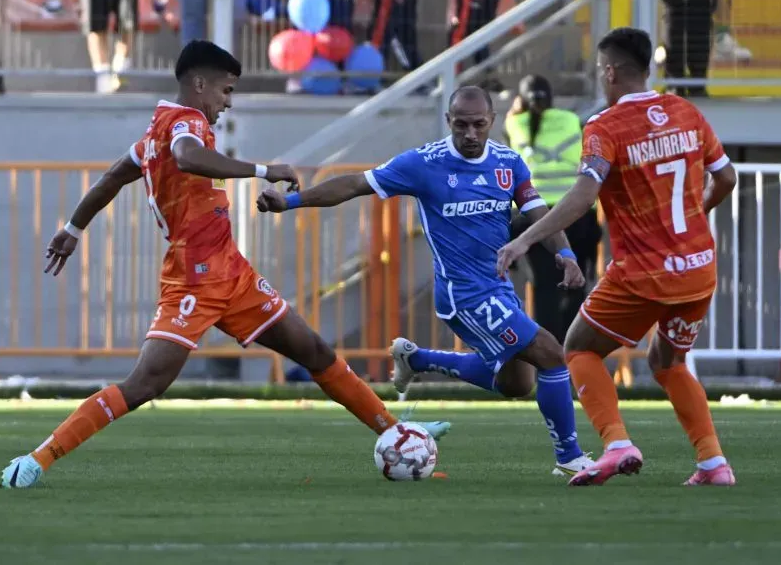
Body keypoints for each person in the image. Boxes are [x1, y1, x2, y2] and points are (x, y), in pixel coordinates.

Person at [0, 40, 449, 489]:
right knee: (144, 385)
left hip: (233, 274)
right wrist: (262, 169)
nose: (227, 103)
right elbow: (187, 156)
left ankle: (395, 432)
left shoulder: (153, 134)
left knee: (314, 350)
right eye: (225, 91)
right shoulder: (185, 123)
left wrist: (73, 229)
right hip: (193, 281)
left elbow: (113, 176)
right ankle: (40, 458)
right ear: (199, 84)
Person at [256, 86, 594, 477]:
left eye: (478, 125)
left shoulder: (509, 163)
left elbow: (540, 214)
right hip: (462, 293)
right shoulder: (423, 163)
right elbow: (353, 185)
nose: (470, 134)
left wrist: (565, 254)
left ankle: (418, 359)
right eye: (462, 125)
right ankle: (569, 457)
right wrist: (291, 202)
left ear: (492, 122)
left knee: (519, 382)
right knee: (551, 353)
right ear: (448, 122)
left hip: (498, 287)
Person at [497, 28, 738, 487]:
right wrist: (695, 214)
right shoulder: (686, 112)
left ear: (609, 71)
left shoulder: (604, 127)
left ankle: (616, 443)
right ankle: (713, 464)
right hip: (698, 267)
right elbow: (726, 177)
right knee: (668, 362)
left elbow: (583, 195)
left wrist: (526, 238)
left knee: (579, 347)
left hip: (645, 272)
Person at [505, 75, 602, 342]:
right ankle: (573, 350)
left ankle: (549, 358)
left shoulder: (515, 122)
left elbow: (510, 131)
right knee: (576, 284)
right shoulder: (570, 120)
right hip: (575, 214)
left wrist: (516, 109)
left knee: (545, 286)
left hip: (533, 217)